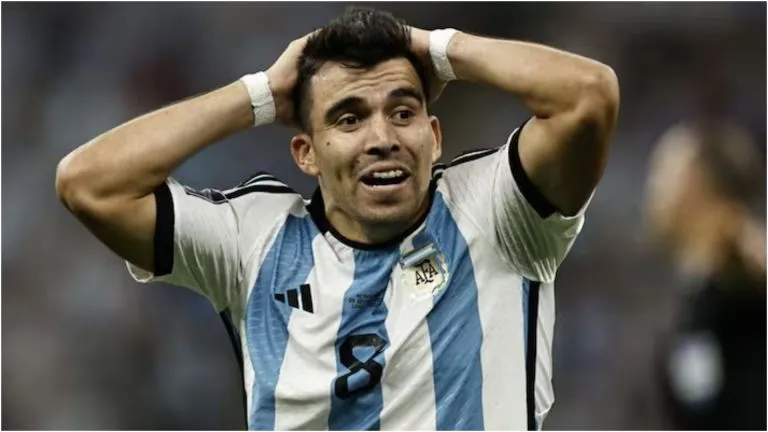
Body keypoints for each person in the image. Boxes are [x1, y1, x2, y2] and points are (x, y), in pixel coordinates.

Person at [56, 7, 619, 430]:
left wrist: (438, 47)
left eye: (403, 112)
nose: (382, 138)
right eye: (349, 119)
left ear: (434, 135)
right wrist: (259, 94)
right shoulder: (254, 240)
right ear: (306, 153)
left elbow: (589, 95)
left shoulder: (497, 212)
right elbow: (89, 184)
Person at [645, 118, 766, 430]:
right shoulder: (697, 296)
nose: (654, 187)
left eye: (665, 174)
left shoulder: (742, 290)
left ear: (699, 187)